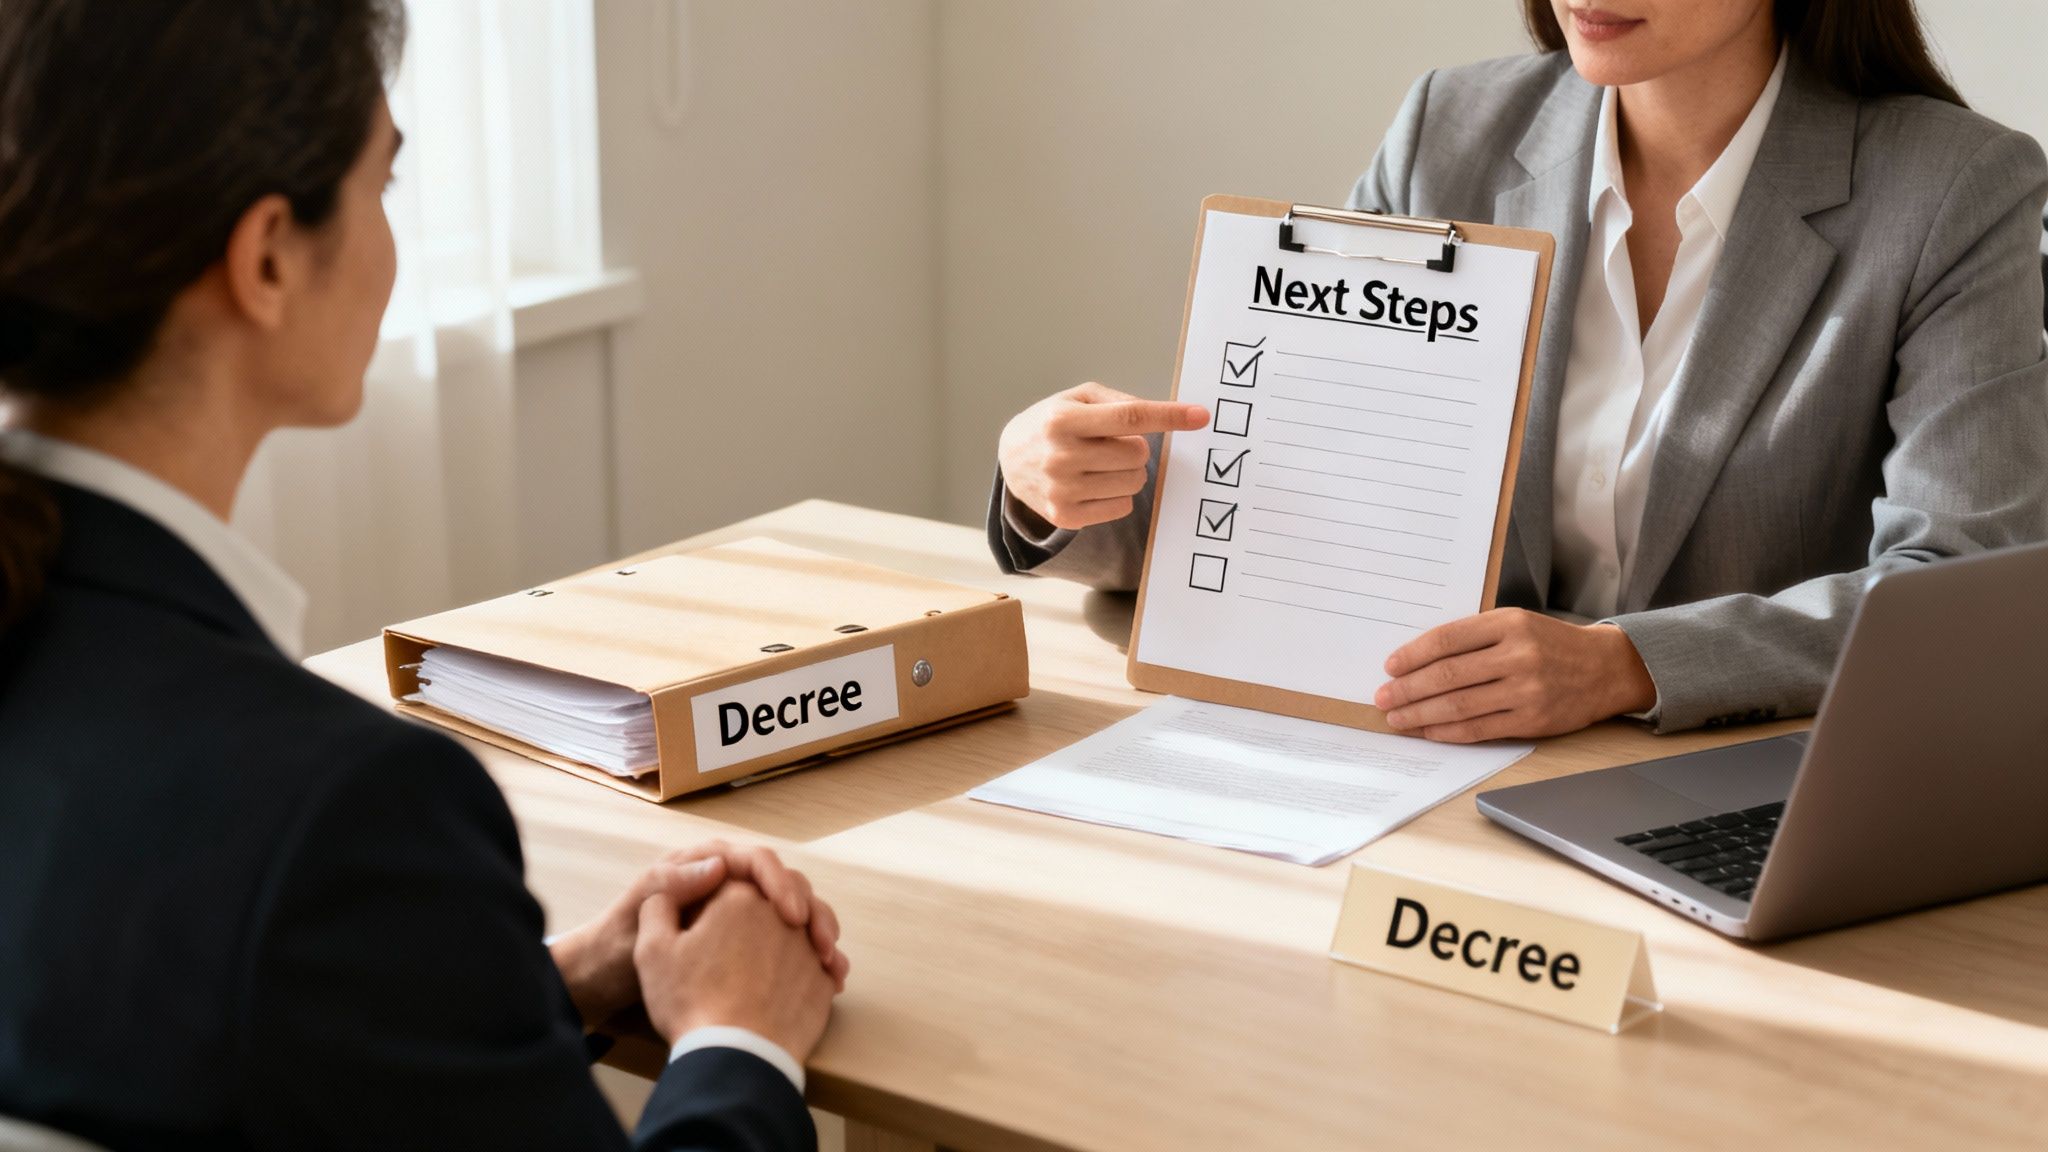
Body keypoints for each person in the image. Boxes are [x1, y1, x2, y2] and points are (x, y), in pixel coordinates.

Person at [0, 3, 847, 1148]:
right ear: (263, 259)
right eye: (382, 185)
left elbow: (175, 1034)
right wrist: (737, 1038)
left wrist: (526, 980)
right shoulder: (346, 817)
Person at [990, 0, 2048, 740]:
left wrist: (1623, 667)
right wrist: (1054, 490)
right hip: (1440, 769)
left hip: (1740, 792)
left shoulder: (1954, 192)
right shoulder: (1451, 129)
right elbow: (1297, 500)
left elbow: (1953, 595)